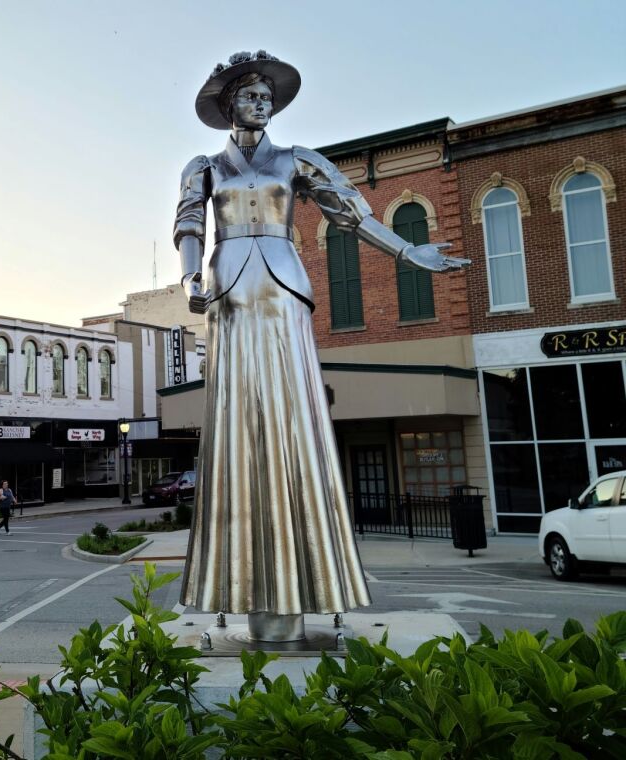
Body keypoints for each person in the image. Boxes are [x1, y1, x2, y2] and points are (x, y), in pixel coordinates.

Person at [175, 51, 468, 636]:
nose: (260, 104)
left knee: (292, 421)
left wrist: (409, 253)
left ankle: (306, 584)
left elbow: (352, 214)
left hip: (283, 291)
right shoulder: (204, 166)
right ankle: (239, 590)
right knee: (236, 421)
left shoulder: (296, 160)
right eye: (249, 96)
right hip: (228, 293)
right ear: (229, 103)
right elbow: (188, 226)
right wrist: (189, 278)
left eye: (266, 97)